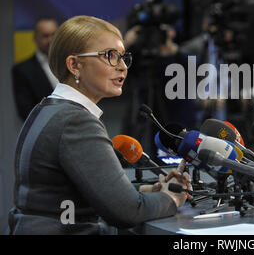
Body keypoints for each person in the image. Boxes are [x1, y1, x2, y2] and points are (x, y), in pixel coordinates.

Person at [8, 16, 192, 235]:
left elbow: (81, 193)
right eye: (110, 56)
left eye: (123, 57)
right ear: (74, 65)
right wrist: (171, 198)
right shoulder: (76, 121)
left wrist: (149, 189)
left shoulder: (48, 109)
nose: (122, 66)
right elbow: (125, 211)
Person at [12, 17, 59, 120]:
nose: (51, 40)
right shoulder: (22, 70)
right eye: (45, 36)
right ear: (35, 38)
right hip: (44, 129)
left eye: (54, 35)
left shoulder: (72, 62)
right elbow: (25, 110)